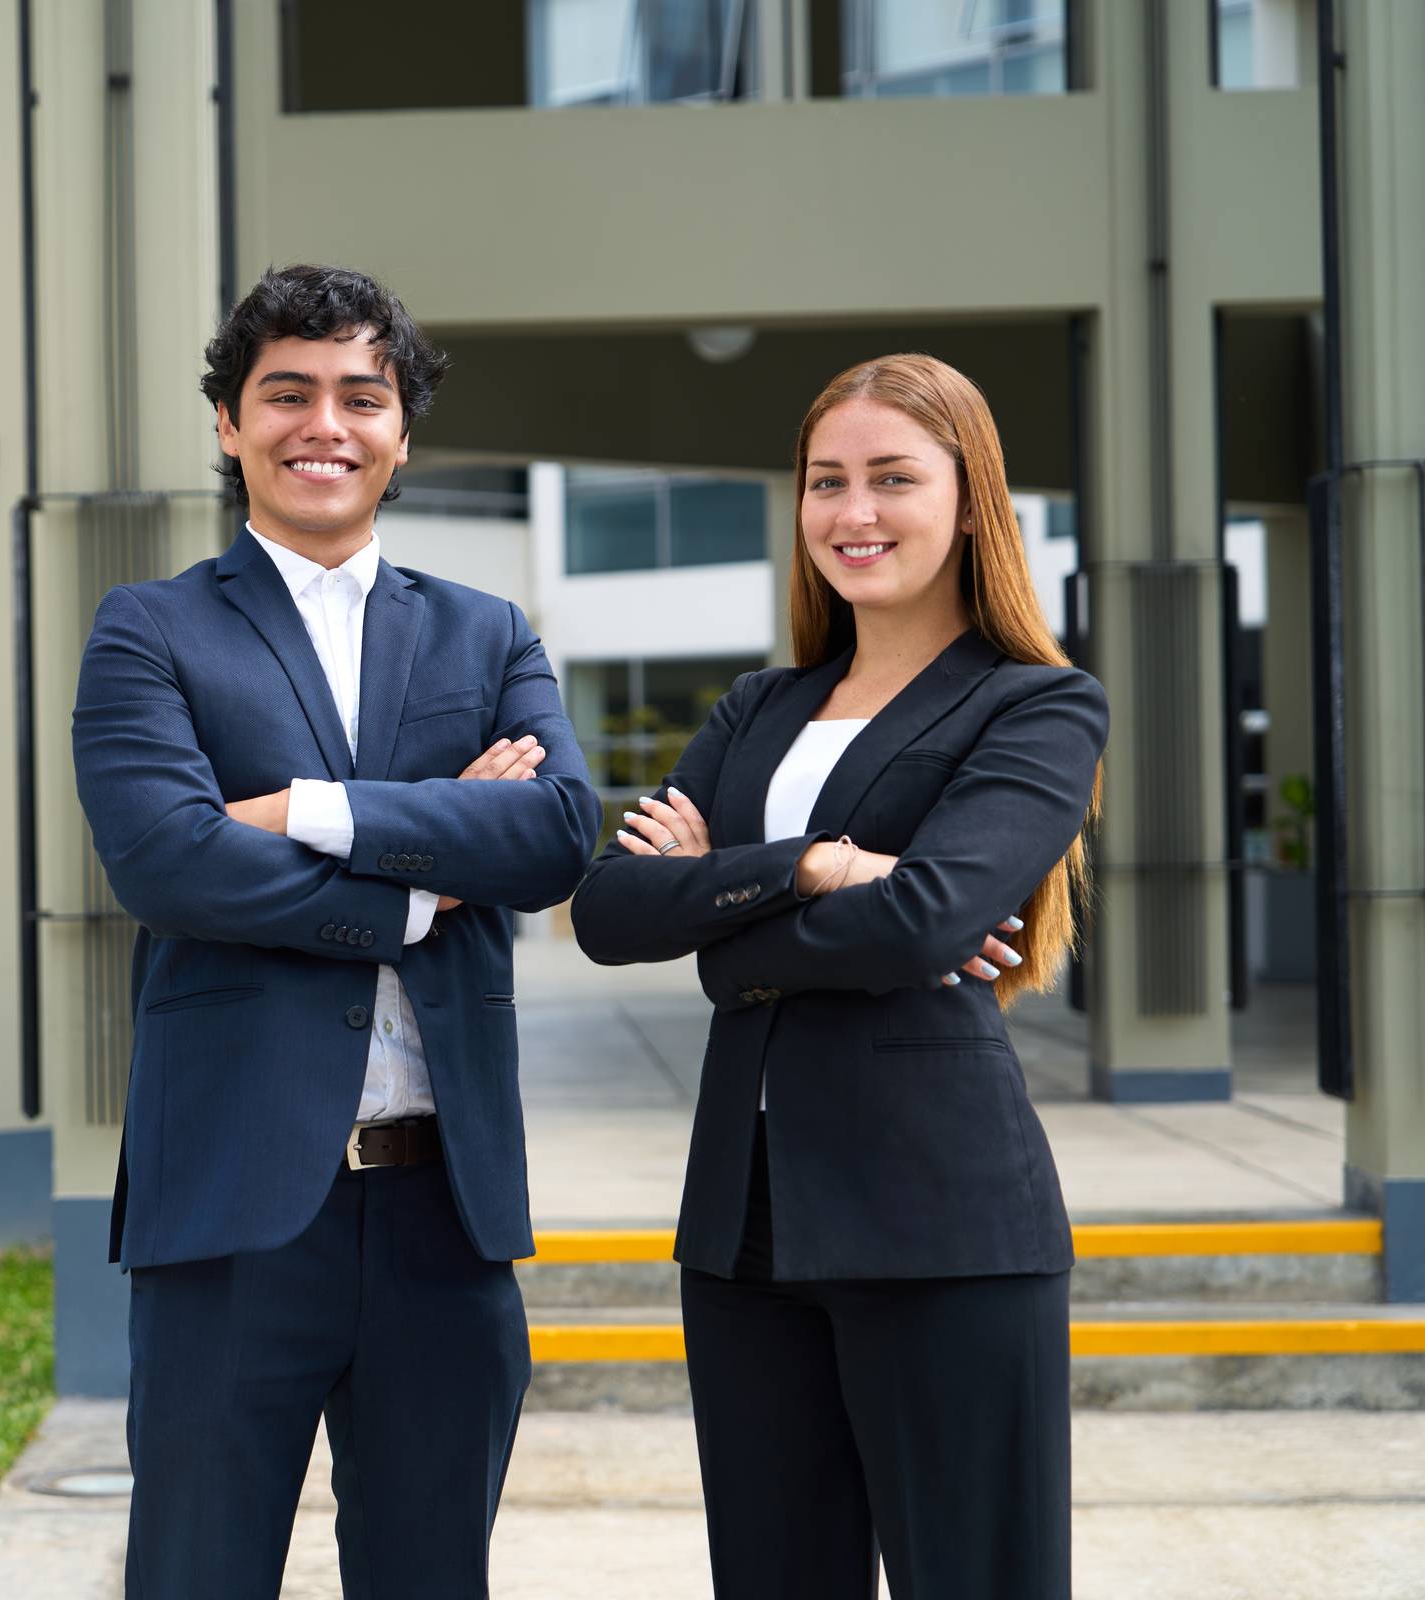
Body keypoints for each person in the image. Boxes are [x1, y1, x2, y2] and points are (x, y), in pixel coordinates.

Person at [71, 264, 600, 1599]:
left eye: (363, 396)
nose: (327, 424)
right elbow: (171, 863)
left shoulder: (485, 635)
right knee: (197, 1574)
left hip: (444, 1208)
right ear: (230, 423)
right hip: (233, 1211)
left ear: (402, 431)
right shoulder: (151, 630)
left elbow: (552, 836)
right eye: (287, 393)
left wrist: (303, 809)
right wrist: (429, 878)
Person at [571, 353, 1107, 1599]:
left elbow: (926, 923)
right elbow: (606, 908)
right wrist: (813, 867)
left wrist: (720, 918)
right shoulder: (761, 705)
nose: (851, 512)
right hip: (744, 1225)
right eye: (826, 482)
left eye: (891, 479)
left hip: (940, 1220)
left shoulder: (1035, 704)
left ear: (969, 500)